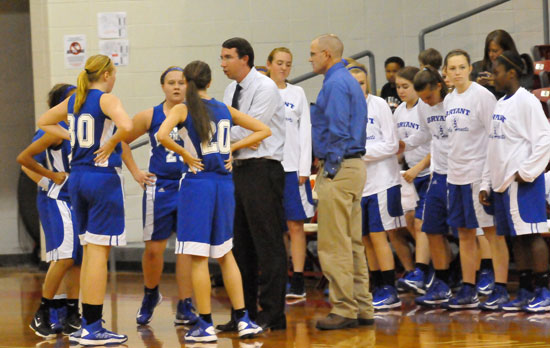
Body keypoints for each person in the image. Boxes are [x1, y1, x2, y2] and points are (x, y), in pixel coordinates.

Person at [158, 60, 269, 342]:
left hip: (198, 185)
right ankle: (244, 319)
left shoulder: (183, 108)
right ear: (209, 82)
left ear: (186, 82)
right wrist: (233, 147)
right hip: (224, 185)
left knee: (197, 258)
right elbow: (262, 130)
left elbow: (161, 135)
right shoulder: (223, 108)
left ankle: (205, 324)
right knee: (225, 255)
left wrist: (184, 154)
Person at [37, 54, 132, 345]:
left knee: (90, 251)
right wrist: (112, 142)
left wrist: (69, 135)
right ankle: (93, 326)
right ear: (106, 74)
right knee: (98, 255)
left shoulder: (74, 101)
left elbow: (43, 121)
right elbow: (126, 126)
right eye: (114, 74)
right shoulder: (106, 99)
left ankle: (88, 324)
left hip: (76, 179)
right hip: (101, 179)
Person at [218, 37, 287, 331]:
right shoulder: (231, 88)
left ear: (244, 58)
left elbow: (244, 128)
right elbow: (225, 126)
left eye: (227, 57)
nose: (222, 63)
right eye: (221, 57)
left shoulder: (265, 87)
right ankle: (242, 313)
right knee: (240, 244)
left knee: (268, 243)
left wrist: (217, 135)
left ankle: (273, 313)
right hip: (239, 168)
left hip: (263, 169)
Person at [121, 66, 198, 326]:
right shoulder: (149, 115)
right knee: (154, 249)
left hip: (190, 185)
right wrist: (135, 172)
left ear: (189, 86)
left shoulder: (197, 113)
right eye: (171, 82)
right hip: (160, 187)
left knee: (186, 249)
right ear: (163, 86)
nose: (176, 87)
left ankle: (186, 303)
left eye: (181, 82)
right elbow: (121, 140)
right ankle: (151, 294)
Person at [309, 34, 372, 330]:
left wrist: (330, 170)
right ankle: (362, 306)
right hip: (355, 166)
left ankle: (344, 308)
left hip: (340, 166)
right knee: (353, 242)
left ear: (326, 54)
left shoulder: (334, 84)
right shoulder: (348, 81)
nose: (310, 59)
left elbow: (338, 131)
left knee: (334, 244)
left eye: (312, 54)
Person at [481, 50, 550, 312]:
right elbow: (493, 147)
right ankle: (524, 290)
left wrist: (528, 171)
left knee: (531, 235)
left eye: (496, 72)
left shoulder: (527, 101)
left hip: (522, 183)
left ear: (511, 73)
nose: (493, 77)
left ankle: (544, 290)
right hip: (502, 184)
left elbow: (545, 139)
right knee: (516, 238)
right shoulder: (501, 103)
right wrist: (486, 183)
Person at [443, 49, 509, 310]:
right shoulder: (448, 100)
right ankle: (468, 289)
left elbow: (495, 138)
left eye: (461, 67)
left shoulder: (482, 96)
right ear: (445, 73)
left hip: (479, 175)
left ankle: (500, 288)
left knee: (492, 234)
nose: (457, 72)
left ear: (470, 68)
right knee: (464, 234)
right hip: (455, 176)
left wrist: (487, 180)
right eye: (452, 68)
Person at [18, 84, 81, 339]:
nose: (78, 102)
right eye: (72, 99)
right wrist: (48, 179)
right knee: (64, 257)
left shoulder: (82, 128)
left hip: (78, 198)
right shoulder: (52, 129)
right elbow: (26, 162)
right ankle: (42, 312)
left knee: (77, 259)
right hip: (57, 198)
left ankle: (71, 313)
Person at [346, 58, 404, 310]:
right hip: (360, 184)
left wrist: (358, 152)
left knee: (380, 236)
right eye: (354, 83)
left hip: (382, 181)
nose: (358, 87)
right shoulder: (345, 109)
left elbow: (391, 145)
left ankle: (390, 288)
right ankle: (377, 284)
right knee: (366, 238)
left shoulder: (379, 105)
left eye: (362, 82)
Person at [399, 67, 453, 306]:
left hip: (461, 172)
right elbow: (424, 134)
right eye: (422, 98)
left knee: (470, 232)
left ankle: (472, 283)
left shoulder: (454, 103)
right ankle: (440, 282)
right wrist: (403, 145)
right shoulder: (423, 106)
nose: (426, 102)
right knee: (430, 228)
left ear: (439, 87)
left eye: (429, 97)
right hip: (437, 174)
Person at [266, 47, 313, 300]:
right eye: (279, 63)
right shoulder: (261, 91)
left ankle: (298, 279)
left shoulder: (298, 93)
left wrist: (304, 167)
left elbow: (305, 130)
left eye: (288, 64)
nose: (283, 68)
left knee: (295, 225)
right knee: (274, 227)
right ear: (269, 64)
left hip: (293, 168)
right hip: (267, 167)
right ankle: (278, 275)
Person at [393, 66, 433, 295]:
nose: (401, 90)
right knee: (407, 223)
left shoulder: (425, 109)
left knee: (422, 224)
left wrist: (418, 167)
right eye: (398, 86)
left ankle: (424, 270)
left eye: (405, 86)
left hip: (427, 173)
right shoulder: (398, 111)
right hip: (409, 176)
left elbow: (435, 144)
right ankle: (416, 271)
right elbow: (399, 146)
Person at [470, 29, 534, 99]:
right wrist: (477, 85)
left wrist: (497, 82)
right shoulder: (477, 68)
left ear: (506, 50)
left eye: (495, 51)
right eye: (488, 51)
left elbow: (523, 89)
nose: (491, 54)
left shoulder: (521, 67)